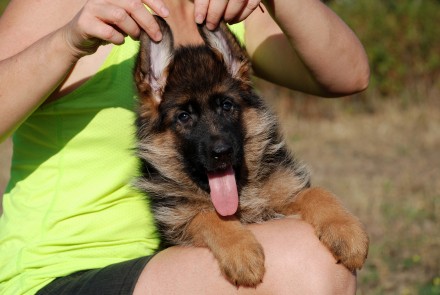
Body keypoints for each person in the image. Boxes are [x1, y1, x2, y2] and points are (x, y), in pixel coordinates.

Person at [0, 0, 369, 294]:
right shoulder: (61, 4)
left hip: (173, 266)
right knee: (307, 261)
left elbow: (350, 73)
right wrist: (66, 41)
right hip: (64, 272)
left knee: (319, 256)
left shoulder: (220, 13)